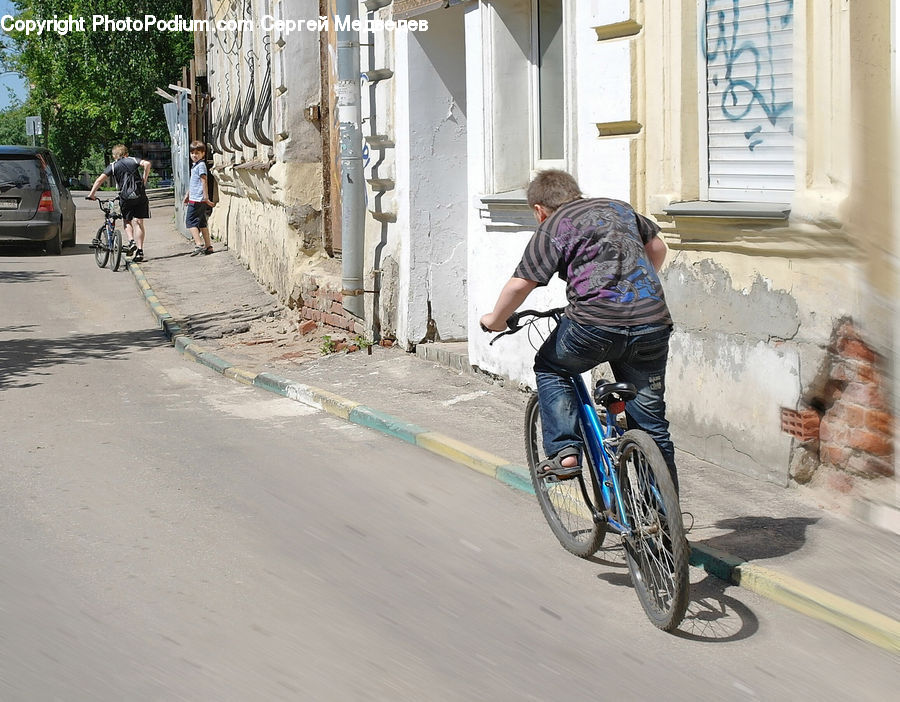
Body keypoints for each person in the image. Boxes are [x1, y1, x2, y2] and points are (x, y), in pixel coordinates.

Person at [479, 170, 679, 491]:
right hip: (652, 321)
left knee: (550, 366)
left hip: (594, 323)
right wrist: (630, 286)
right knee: (654, 428)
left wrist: (496, 319)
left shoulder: (552, 227)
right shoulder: (618, 208)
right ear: (575, 193)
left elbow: (521, 285)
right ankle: (663, 526)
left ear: (539, 210)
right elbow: (657, 248)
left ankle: (565, 452)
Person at [87, 144, 151, 262]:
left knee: (127, 220)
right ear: (126, 154)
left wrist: (92, 194)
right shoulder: (132, 160)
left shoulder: (113, 166)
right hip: (140, 194)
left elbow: (99, 180)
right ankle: (140, 252)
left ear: (114, 156)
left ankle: (131, 241)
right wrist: (144, 179)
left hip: (125, 197)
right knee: (139, 222)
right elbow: (147, 164)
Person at [184, 141, 215, 256]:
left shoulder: (200, 165)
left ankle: (198, 244)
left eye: (197, 153)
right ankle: (208, 246)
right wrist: (187, 195)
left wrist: (206, 197)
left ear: (203, 153)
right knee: (202, 223)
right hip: (195, 197)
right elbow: (194, 183)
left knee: (190, 222)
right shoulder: (196, 165)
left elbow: (204, 181)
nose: (194, 155)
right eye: (192, 153)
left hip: (198, 199)